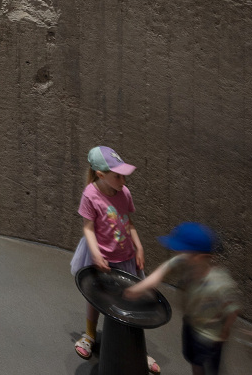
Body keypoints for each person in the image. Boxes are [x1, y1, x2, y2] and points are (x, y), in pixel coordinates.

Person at [129, 223, 242, 375]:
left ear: (200, 257)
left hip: (210, 337)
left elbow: (232, 308)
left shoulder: (219, 283)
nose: (178, 253)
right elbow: (159, 274)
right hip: (191, 324)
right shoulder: (184, 261)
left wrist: (225, 330)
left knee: (210, 368)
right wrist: (136, 289)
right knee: (194, 361)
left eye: (183, 251)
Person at [74, 144, 147, 361]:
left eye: (123, 176)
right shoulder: (90, 195)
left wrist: (139, 247)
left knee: (129, 299)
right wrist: (96, 254)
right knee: (97, 297)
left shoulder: (124, 192)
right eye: (117, 177)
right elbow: (87, 227)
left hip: (126, 256)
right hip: (102, 256)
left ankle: (137, 349)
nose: (123, 182)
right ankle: (89, 334)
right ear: (100, 174)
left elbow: (129, 223)